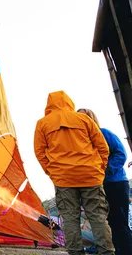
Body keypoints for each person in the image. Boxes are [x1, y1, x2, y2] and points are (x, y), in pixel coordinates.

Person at [34, 91, 114, 255]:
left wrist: (53, 172)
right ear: (69, 102)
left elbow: (39, 152)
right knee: (98, 217)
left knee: (70, 219)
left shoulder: (42, 123)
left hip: (63, 179)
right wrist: (99, 169)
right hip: (91, 176)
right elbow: (103, 147)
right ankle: (107, 252)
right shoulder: (83, 119)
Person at [78, 108, 132, 255]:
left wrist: (106, 170)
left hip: (115, 183)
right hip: (96, 186)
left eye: (84, 118)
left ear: (91, 119)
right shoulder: (80, 142)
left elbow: (121, 153)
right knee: (106, 222)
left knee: (120, 222)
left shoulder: (104, 133)